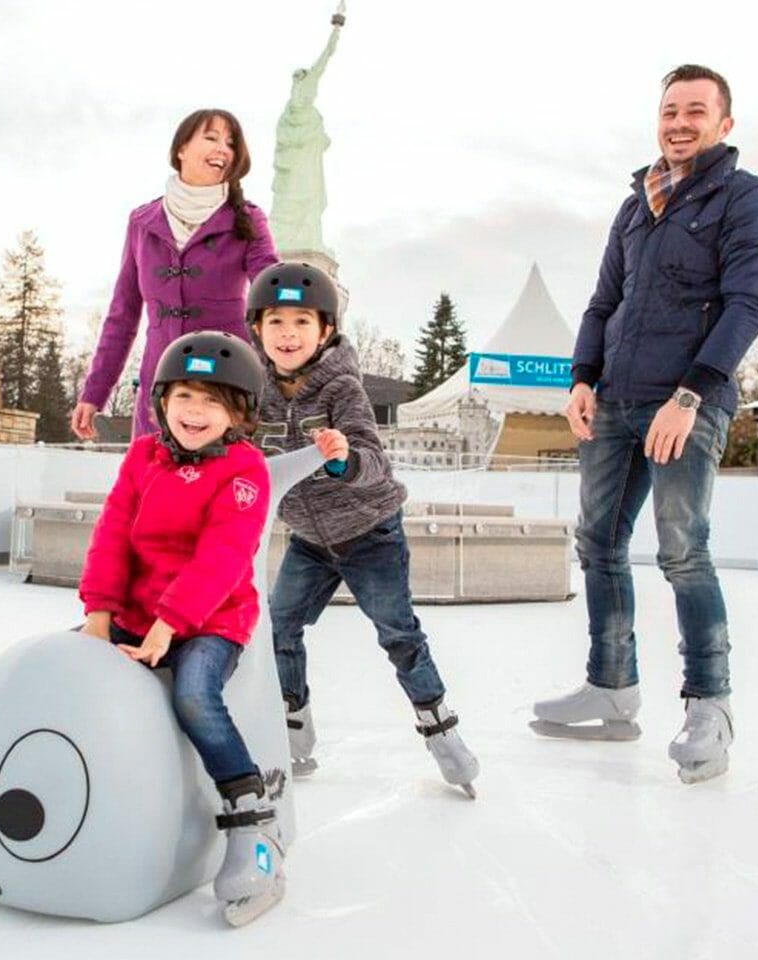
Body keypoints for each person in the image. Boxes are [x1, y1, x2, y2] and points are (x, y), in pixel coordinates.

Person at [531, 65, 758, 784]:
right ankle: (611, 689)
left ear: (724, 123)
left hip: (684, 401)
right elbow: (602, 302)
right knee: (599, 544)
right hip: (614, 400)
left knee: (682, 550)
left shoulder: (747, 199)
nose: (679, 122)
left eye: (696, 111)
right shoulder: (637, 204)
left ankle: (711, 704)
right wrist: (582, 377)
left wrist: (692, 396)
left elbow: (747, 304)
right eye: (670, 109)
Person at [247, 261, 480, 799]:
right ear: (257, 329)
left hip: (370, 532)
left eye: (302, 322)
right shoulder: (256, 391)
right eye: (276, 322)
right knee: (278, 627)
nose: (288, 334)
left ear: (325, 331)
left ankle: (441, 732)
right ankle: (294, 731)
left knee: (398, 634)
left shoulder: (342, 387)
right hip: (308, 539)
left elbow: (373, 457)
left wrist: (345, 459)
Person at [77, 331, 284, 925]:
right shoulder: (143, 456)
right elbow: (113, 534)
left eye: (213, 401)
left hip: (212, 618)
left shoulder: (246, 470)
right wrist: (99, 615)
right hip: (137, 611)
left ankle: (253, 822)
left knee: (194, 695)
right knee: (76, 671)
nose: (196, 412)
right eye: (186, 395)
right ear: (162, 399)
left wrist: (169, 627)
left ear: (238, 414)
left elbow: (222, 557)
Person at [71, 109, 279, 440]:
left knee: (220, 488)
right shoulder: (142, 222)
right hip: (160, 389)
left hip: (226, 389)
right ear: (181, 148)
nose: (223, 149)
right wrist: (94, 392)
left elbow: (272, 292)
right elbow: (122, 316)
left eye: (231, 143)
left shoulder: (248, 219)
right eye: (211, 137)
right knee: (152, 487)